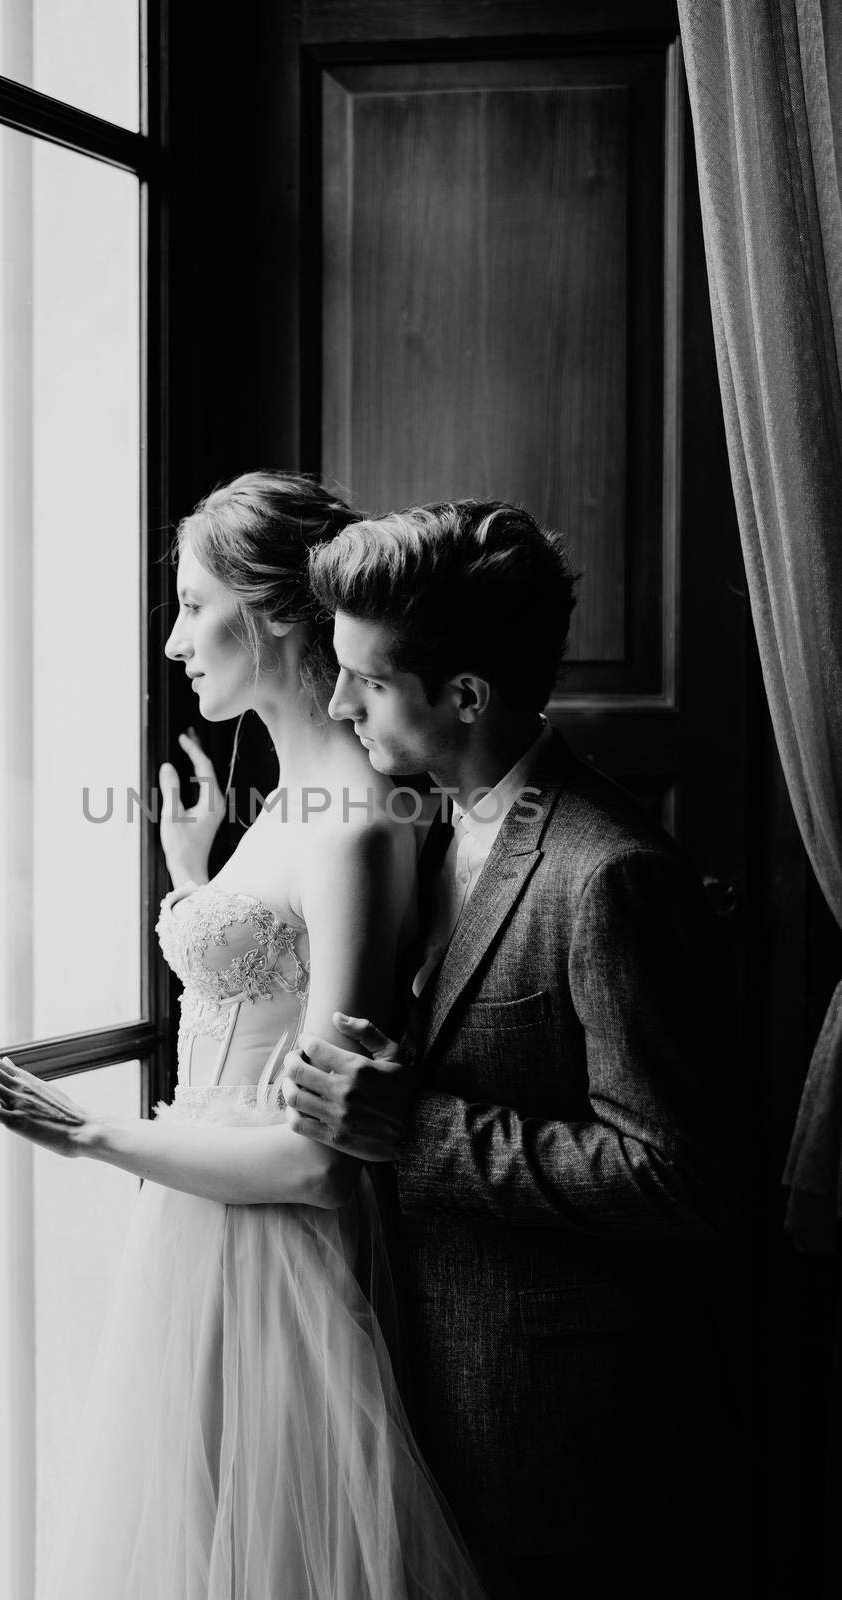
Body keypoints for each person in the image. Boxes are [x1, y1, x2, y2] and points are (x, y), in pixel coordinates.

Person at [0, 472, 485, 1600]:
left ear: (276, 613)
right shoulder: (292, 807)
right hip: (198, 1234)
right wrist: (197, 885)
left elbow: (317, 1161)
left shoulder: (353, 825)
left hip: (268, 1258)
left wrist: (86, 1129)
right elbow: (255, 988)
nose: (178, 642)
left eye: (193, 607)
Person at [281, 499, 744, 1600]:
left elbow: (680, 1175)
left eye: (366, 680)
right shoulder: (430, 825)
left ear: (466, 696)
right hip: (411, 1384)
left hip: (549, 1430)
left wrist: (416, 1131)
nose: (337, 702)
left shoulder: (608, 872)